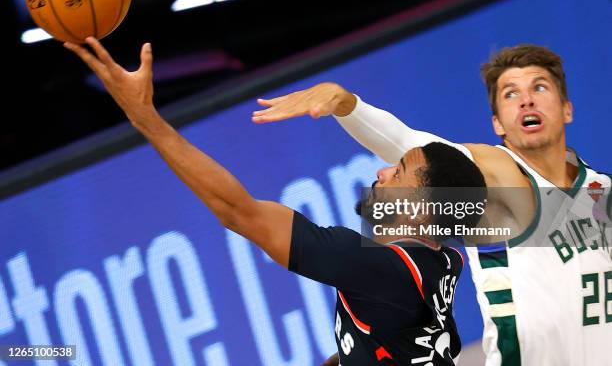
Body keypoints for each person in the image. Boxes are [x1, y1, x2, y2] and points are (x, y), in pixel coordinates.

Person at [64, 37, 487, 366]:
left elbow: (236, 210)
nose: (381, 173)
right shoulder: (441, 259)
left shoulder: (374, 266)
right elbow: (393, 338)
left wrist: (145, 119)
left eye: (399, 172)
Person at [251, 44, 612, 366]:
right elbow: (407, 144)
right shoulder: (496, 179)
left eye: (539, 87)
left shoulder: (602, 191)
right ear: (498, 124)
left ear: (566, 109)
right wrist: (348, 105)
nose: (527, 100)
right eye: (510, 94)